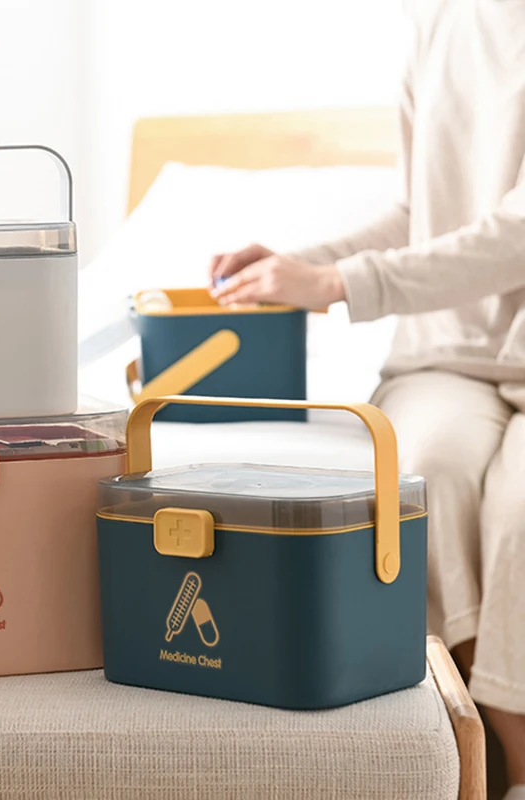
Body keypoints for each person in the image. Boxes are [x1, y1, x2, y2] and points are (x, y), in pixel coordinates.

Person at [209, 1, 525, 795]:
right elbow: (420, 215)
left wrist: (339, 283)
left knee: (521, 512)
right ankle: (470, 750)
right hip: (443, 357)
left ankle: (515, 764)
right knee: (428, 477)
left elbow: (514, 233)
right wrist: (296, 266)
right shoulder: (442, 22)